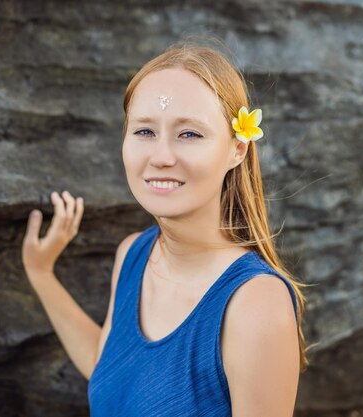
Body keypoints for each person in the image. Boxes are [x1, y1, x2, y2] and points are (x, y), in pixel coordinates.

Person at [21, 41, 310, 416]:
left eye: (189, 134)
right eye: (144, 131)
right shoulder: (134, 254)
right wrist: (42, 274)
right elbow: (111, 370)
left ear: (237, 149)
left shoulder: (254, 304)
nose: (160, 157)